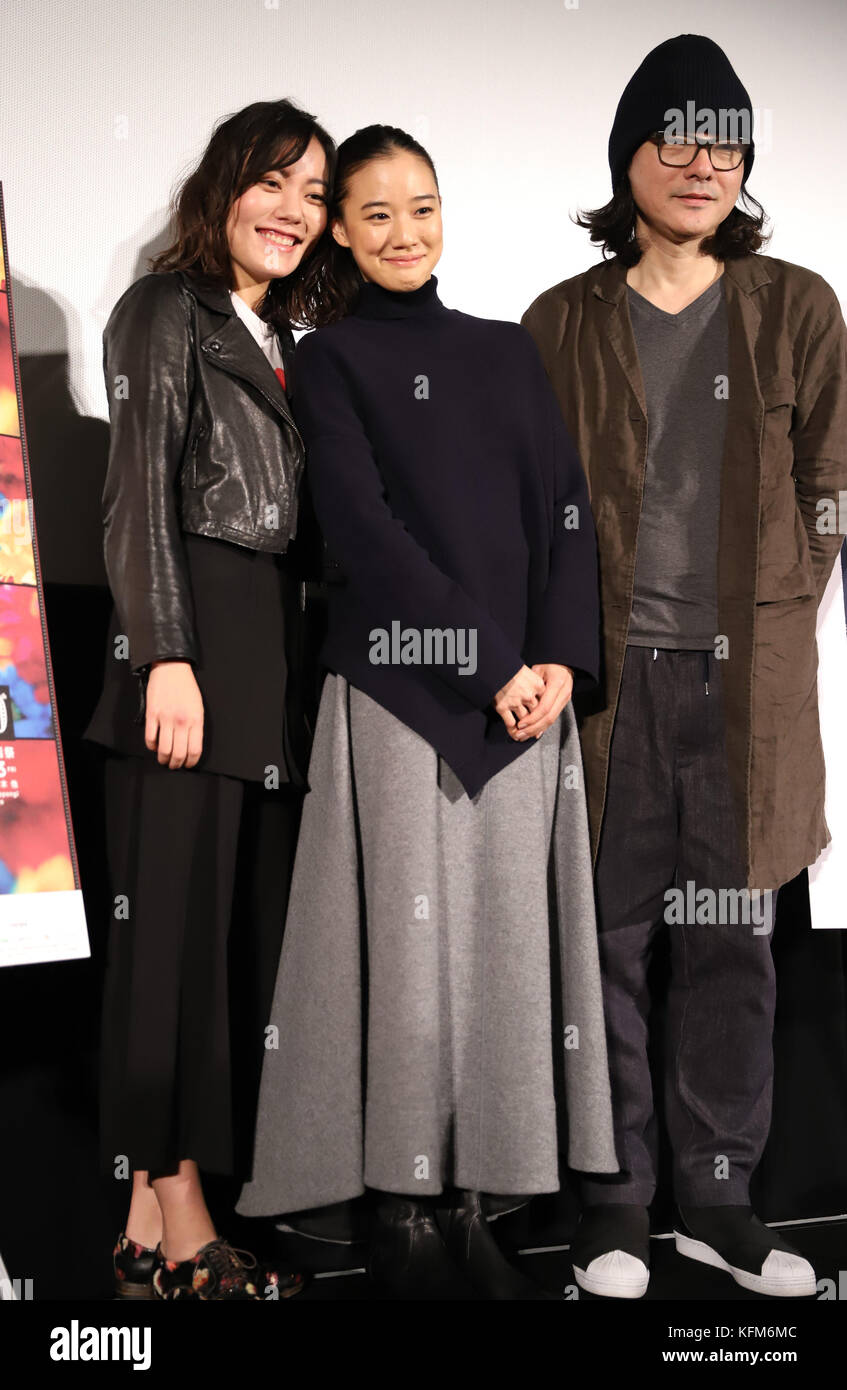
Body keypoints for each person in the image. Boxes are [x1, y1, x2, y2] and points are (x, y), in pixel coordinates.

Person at [235, 124, 619, 1301]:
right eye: (378, 213)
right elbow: (362, 532)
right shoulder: (330, 360)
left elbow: (563, 511)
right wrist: (487, 661)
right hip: (406, 691)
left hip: (522, 706)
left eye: (425, 206)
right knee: (407, 960)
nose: (406, 231)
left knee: (504, 964)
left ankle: (479, 1203)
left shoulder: (506, 351)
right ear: (341, 232)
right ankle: (400, 1212)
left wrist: (556, 660)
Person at [522, 33, 847, 1298]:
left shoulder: (795, 306)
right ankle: (611, 1208)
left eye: (726, 139)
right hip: (607, 684)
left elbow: (830, 485)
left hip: (744, 686)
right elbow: (535, 502)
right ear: (631, 155)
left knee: (732, 943)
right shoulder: (563, 319)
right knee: (602, 944)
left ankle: (719, 1200)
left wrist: (774, 613)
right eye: (678, 135)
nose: (703, 162)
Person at [83, 98, 335, 1300]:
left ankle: (139, 1237)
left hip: (260, 671)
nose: (295, 210)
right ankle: (185, 1231)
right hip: (187, 662)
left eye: (315, 193)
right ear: (224, 186)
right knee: (166, 962)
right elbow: (135, 494)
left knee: (208, 958)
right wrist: (162, 656)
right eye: (274, 182)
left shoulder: (276, 334)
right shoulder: (163, 311)